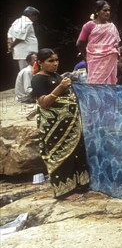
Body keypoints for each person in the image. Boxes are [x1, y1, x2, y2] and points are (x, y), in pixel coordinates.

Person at [31, 48, 89, 200]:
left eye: (56, 60)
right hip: (54, 127)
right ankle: (64, 192)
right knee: (61, 156)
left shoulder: (57, 76)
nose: (55, 63)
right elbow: (44, 103)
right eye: (50, 61)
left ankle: (79, 184)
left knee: (76, 153)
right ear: (40, 63)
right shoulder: (38, 79)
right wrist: (61, 87)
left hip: (70, 126)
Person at [76, 0, 120, 84]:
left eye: (109, 10)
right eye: (104, 10)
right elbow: (80, 43)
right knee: (95, 83)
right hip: (94, 60)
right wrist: (86, 55)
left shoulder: (112, 26)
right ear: (97, 11)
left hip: (111, 60)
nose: (108, 13)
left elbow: (116, 44)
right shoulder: (89, 25)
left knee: (110, 85)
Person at [7, 6, 40, 72]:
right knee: (27, 72)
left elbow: (9, 34)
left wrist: (9, 45)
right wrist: (12, 45)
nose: (36, 18)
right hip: (26, 52)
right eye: (36, 16)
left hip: (21, 52)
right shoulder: (27, 22)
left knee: (24, 71)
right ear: (31, 15)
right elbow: (20, 37)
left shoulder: (17, 21)